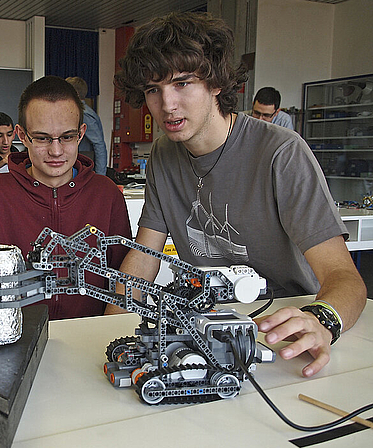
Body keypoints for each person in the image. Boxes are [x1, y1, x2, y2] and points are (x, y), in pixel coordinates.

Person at [113, 12, 366, 377]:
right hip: (208, 332)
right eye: (153, 89)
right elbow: (144, 256)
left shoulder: (281, 152)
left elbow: (345, 278)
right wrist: (102, 332)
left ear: (215, 83)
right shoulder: (163, 154)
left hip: (283, 338)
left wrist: (322, 319)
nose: (167, 105)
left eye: (182, 84)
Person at [0, 75, 131, 320]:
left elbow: (123, 278)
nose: (56, 151)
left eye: (67, 137)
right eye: (42, 138)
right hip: (14, 342)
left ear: (81, 134)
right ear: (22, 136)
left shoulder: (107, 195)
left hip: (90, 339)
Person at [65, 76, 108, 175]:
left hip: (84, 166)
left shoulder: (83, 114)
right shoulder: (79, 112)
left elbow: (99, 144)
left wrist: (100, 176)